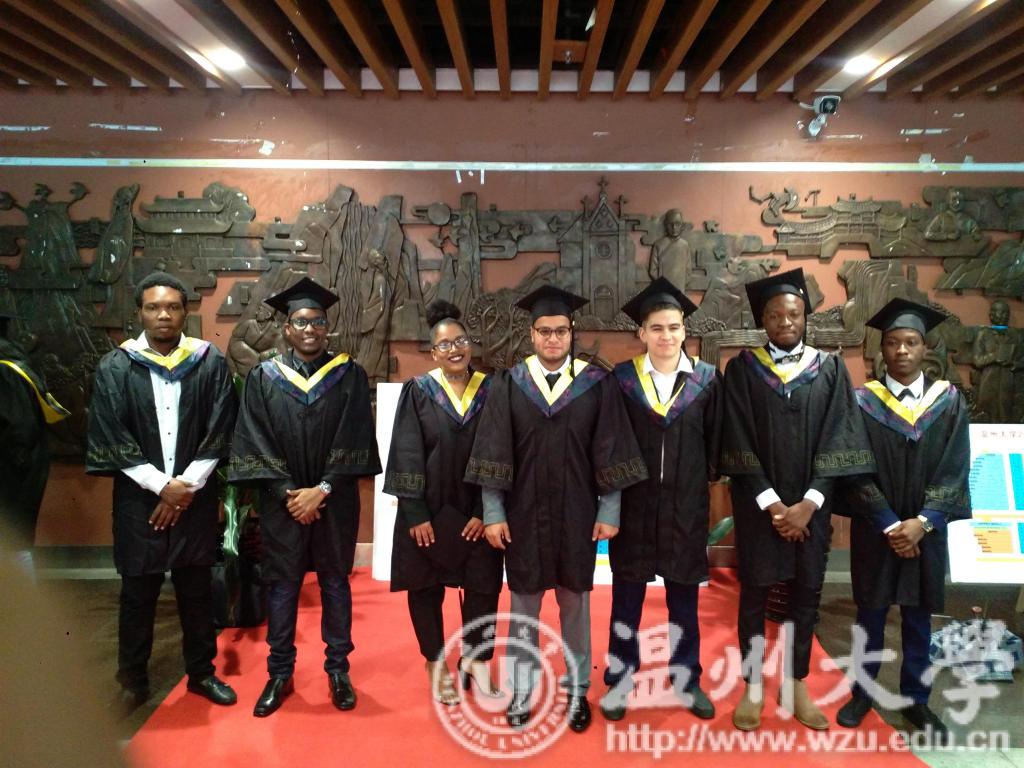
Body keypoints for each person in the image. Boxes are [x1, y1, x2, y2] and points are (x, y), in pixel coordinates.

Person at [466, 284, 648, 734]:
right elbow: (493, 450)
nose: (553, 338)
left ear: (572, 333)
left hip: (577, 513)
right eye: (544, 331)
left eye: (561, 331)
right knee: (523, 608)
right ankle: (521, 691)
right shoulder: (510, 383)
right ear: (532, 334)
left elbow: (611, 448)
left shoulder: (596, 384)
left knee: (575, 605)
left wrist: (610, 510)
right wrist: (493, 512)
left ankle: (577, 690)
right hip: (523, 515)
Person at [720, 268, 874, 732]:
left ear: (806, 316)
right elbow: (736, 438)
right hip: (759, 509)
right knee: (754, 595)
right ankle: (752, 686)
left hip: (813, 510)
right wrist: (773, 504)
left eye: (794, 314)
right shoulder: (743, 370)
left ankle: (796, 682)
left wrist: (809, 503)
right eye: (775, 315)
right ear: (762, 320)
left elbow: (840, 437)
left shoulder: (829, 369)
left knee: (807, 595)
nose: (785, 322)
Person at [86, 271, 238, 715]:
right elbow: (111, 433)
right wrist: (162, 487)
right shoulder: (117, 366)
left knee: (195, 590)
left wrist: (184, 487)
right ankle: (132, 682)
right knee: (138, 594)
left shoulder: (208, 363)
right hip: (141, 501)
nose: (164, 315)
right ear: (140, 313)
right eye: (154, 307)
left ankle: (202, 673)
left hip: (193, 497)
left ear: (185, 312)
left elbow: (221, 426)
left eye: (172, 307)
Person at [229, 276, 380, 717]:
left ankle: (338, 671)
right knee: (282, 585)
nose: (310, 329)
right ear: (287, 328)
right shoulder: (263, 377)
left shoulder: (350, 376)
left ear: (326, 327)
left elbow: (354, 436)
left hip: (334, 501)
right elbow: (255, 438)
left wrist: (323, 489)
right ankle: (280, 673)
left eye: (317, 321)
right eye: (301, 321)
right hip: (284, 504)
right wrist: (288, 494)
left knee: (334, 582)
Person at [835, 298, 971, 743]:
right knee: (870, 615)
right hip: (879, 530)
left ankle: (917, 699)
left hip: (925, 533)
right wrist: (891, 523)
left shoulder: (948, 402)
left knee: (918, 618)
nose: (902, 351)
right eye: (893, 342)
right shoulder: (861, 402)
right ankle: (862, 693)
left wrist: (924, 522)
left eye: (911, 342)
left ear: (924, 347)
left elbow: (955, 467)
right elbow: (853, 466)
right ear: (882, 350)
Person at [600, 278, 722, 722]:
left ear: (685, 329)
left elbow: (716, 442)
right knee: (626, 599)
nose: (666, 336)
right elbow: (611, 442)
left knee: (684, 600)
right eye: (656, 328)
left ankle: (686, 677)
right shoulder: (622, 380)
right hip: (635, 507)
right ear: (642, 333)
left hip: (685, 508)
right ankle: (619, 678)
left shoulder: (707, 380)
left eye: (673, 327)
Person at [383, 300, 503, 706]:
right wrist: (415, 513)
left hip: (477, 510)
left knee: (483, 588)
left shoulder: (491, 390)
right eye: (445, 344)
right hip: (428, 513)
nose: (455, 350)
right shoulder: (419, 391)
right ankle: (435, 663)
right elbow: (406, 451)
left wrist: (485, 512)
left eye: (461, 341)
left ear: (471, 345)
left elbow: (501, 451)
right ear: (433, 352)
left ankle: (477, 660)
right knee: (425, 588)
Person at [0, 309, 69, 568]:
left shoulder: (6, 371)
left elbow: (18, 430)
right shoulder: (12, 361)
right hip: (19, 468)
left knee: (12, 541)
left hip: (11, 474)